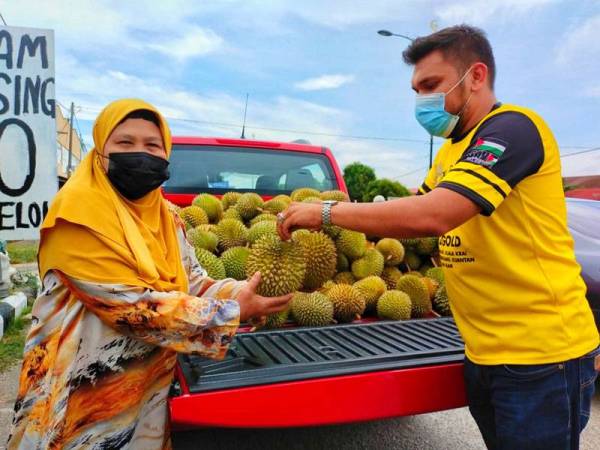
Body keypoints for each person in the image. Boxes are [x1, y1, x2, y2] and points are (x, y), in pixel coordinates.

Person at [277, 25, 599, 449]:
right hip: (483, 351)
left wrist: (327, 212)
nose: (421, 101)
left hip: (540, 356)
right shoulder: (452, 151)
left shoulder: (514, 129)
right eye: (415, 89)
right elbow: (413, 212)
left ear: (476, 76)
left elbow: (435, 214)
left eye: (431, 85)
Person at [7, 98, 291, 450]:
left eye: (152, 145)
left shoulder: (166, 217)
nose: (140, 154)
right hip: (78, 391)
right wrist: (234, 312)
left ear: (166, 154)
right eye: (124, 143)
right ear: (101, 152)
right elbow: (134, 310)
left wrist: (241, 292)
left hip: (143, 387)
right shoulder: (77, 216)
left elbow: (194, 281)